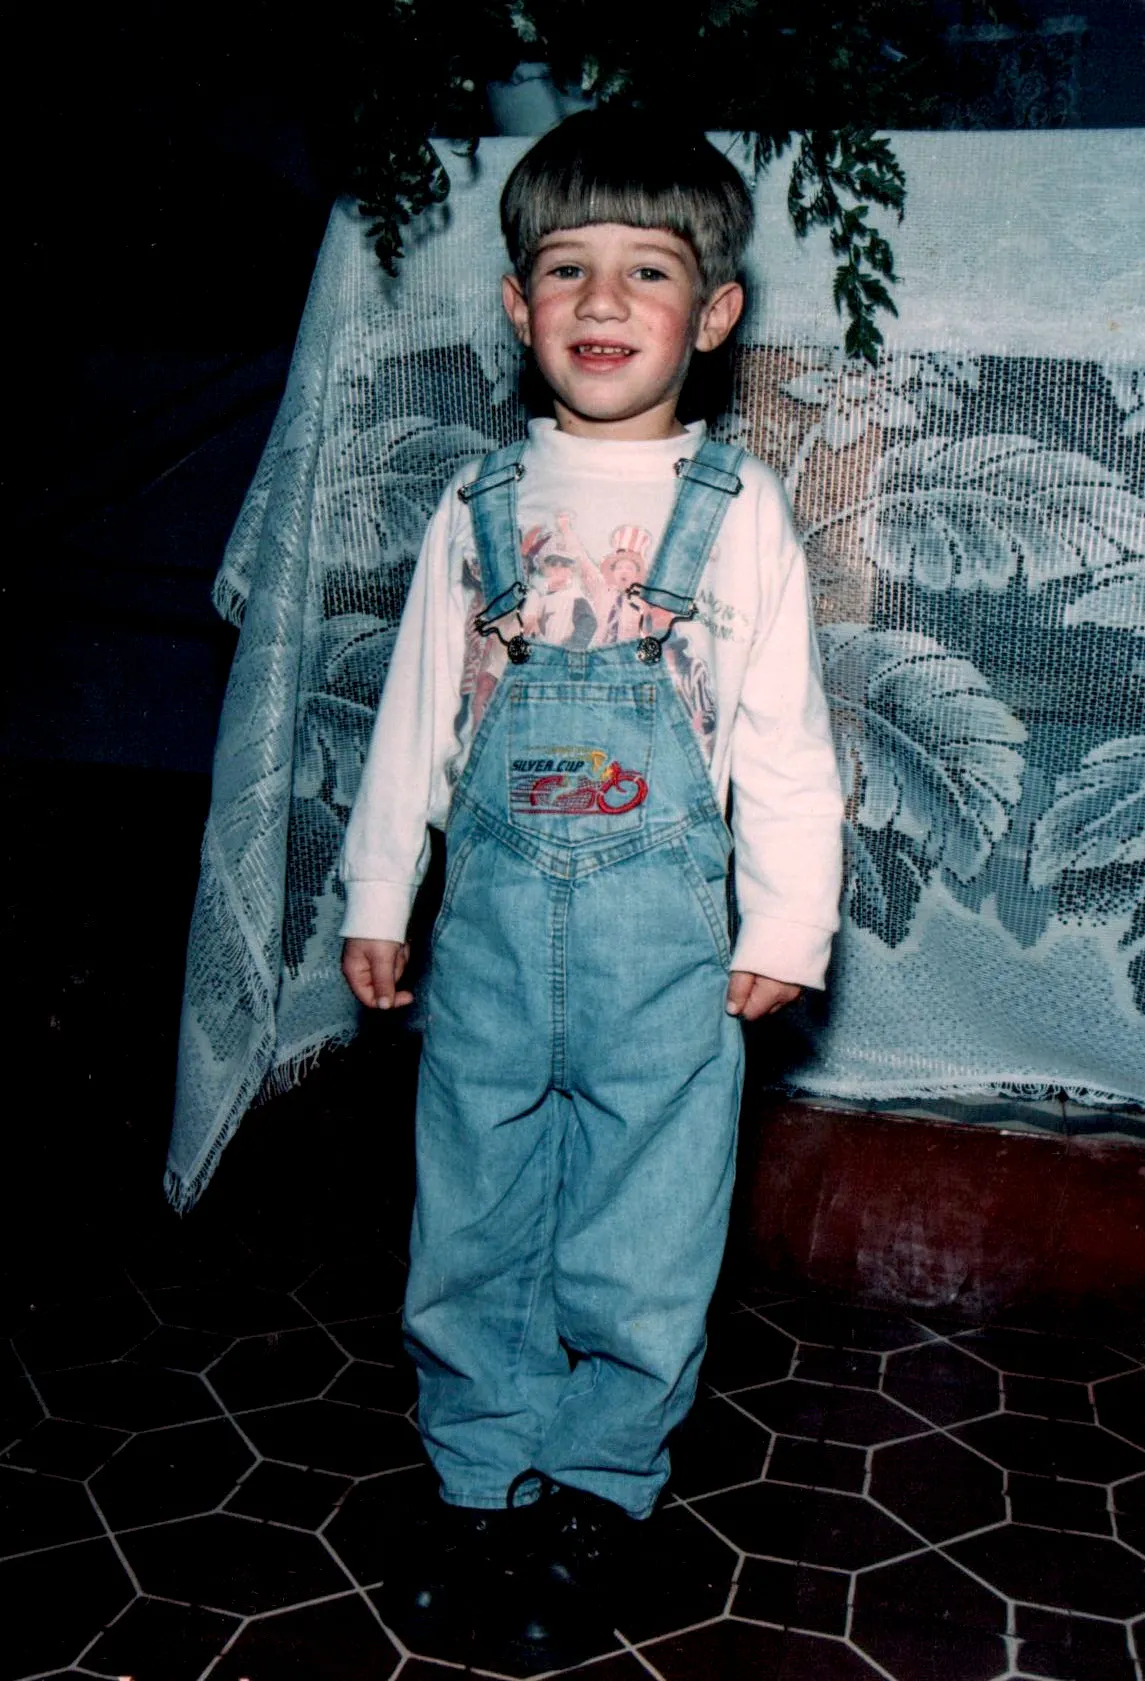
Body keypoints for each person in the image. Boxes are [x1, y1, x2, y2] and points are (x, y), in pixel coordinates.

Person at [339, 109, 844, 1663]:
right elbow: (419, 712)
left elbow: (784, 736)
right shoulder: (477, 504)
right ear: (516, 304)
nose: (605, 304)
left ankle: (601, 1488)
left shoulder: (738, 510)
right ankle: (481, 1472)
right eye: (568, 269)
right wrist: (377, 891)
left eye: (647, 271)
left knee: (645, 1213)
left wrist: (788, 920)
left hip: (665, 948)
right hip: (487, 928)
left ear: (715, 315)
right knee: (476, 1198)